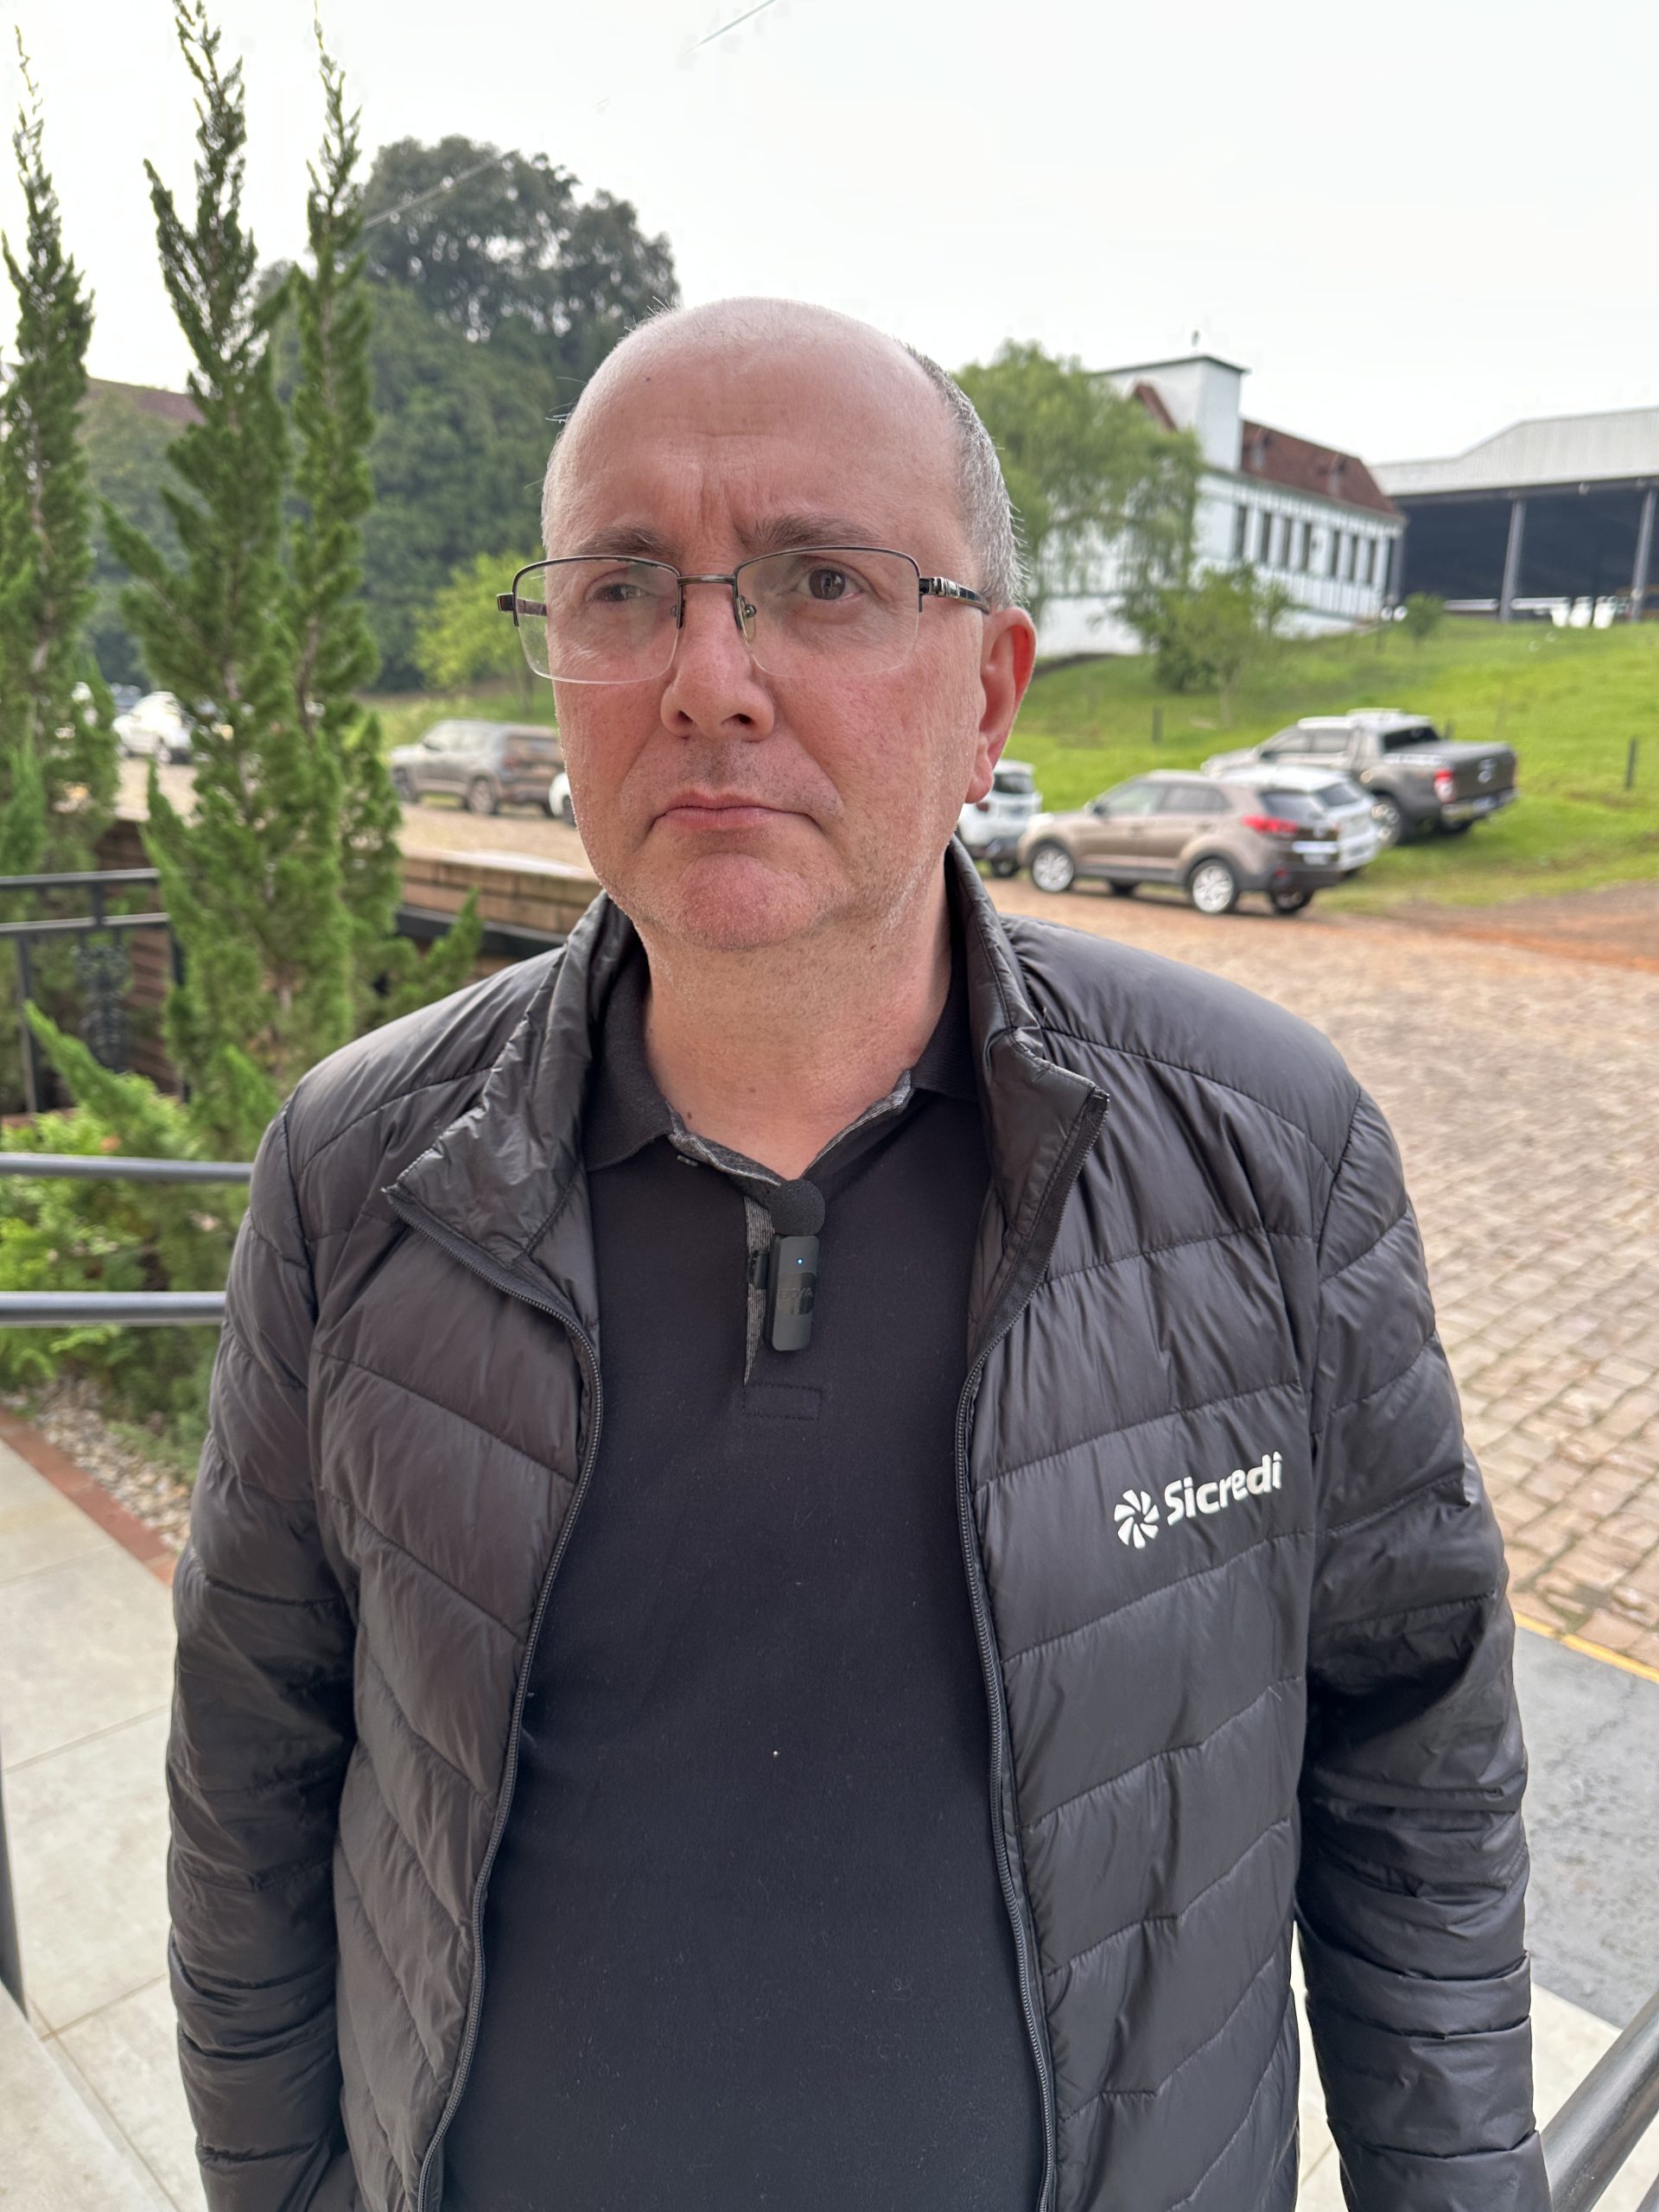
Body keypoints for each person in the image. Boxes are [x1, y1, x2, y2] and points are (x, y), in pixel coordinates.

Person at [167, 298, 1548, 2212]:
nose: (708, 676)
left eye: (822, 582)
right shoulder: (356, 1173)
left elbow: (1416, 1773)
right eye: (623, 588)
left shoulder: (1268, 1154)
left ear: (990, 694)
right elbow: (250, 1778)